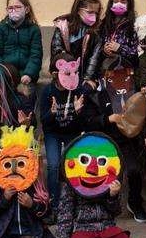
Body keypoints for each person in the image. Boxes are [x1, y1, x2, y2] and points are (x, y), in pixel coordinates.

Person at [37, 52, 100, 209]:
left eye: (74, 73)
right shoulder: (47, 92)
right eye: (66, 73)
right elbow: (43, 122)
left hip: (72, 132)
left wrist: (79, 112)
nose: (71, 76)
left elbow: (85, 123)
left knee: (75, 164)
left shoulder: (79, 91)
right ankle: (55, 204)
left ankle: (77, 202)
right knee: (53, 165)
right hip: (53, 133)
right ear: (54, 74)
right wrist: (51, 114)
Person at [0, 0, 43, 92]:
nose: (14, 10)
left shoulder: (33, 29)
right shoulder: (1, 28)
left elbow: (36, 56)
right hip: (5, 73)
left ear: (26, 9)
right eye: (10, 8)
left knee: (27, 99)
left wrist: (29, 74)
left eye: (18, 7)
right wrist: (1, 71)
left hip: (25, 75)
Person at [88, 0, 138, 97]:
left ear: (129, 3)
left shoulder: (135, 25)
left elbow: (137, 54)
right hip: (106, 74)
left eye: (123, 1)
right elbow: (97, 49)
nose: (118, 4)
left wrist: (120, 48)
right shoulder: (104, 24)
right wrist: (104, 50)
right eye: (115, 1)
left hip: (125, 75)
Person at [51, 0, 103, 85]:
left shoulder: (97, 30)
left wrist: (88, 78)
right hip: (64, 74)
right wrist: (65, 73)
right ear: (78, 10)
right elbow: (57, 50)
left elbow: (95, 57)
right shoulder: (63, 27)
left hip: (85, 75)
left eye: (96, 13)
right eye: (90, 12)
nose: (93, 16)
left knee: (87, 90)